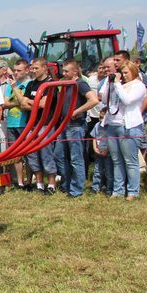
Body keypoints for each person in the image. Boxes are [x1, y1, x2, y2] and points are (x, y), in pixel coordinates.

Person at [102, 60, 146, 200]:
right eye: (122, 72)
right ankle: (118, 190)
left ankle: (133, 191)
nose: (124, 75)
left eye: (126, 72)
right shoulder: (116, 84)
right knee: (117, 160)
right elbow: (104, 100)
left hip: (129, 126)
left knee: (130, 161)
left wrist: (117, 84)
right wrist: (109, 84)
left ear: (133, 72)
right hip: (112, 125)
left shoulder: (139, 86)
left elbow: (127, 100)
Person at [13, 57, 58, 194]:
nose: (33, 70)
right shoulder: (31, 84)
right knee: (32, 154)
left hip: (45, 124)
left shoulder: (50, 84)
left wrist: (30, 101)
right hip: (31, 124)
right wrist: (33, 103)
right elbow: (23, 104)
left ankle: (51, 184)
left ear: (44, 68)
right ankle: (38, 184)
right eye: (32, 68)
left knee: (46, 153)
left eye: (36, 68)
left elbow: (44, 105)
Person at [55, 59, 98, 197]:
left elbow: (94, 100)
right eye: (63, 70)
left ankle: (76, 190)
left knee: (76, 159)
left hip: (76, 126)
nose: (64, 73)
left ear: (75, 71)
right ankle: (66, 184)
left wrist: (77, 111)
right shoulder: (67, 84)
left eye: (66, 71)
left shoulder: (80, 84)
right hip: (64, 125)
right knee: (59, 156)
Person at [2, 59, 30, 189]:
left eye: (19, 70)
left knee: (28, 153)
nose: (16, 73)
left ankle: (28, 181)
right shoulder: (11, 85)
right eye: (15, 70)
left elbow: (26, 104)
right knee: (15, 155)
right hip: (11, 124)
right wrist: (19, 102)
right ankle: (19, 181)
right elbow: (5, 103)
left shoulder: (29, 84)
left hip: (25, 123)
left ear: (26, 70)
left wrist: (15, 90)